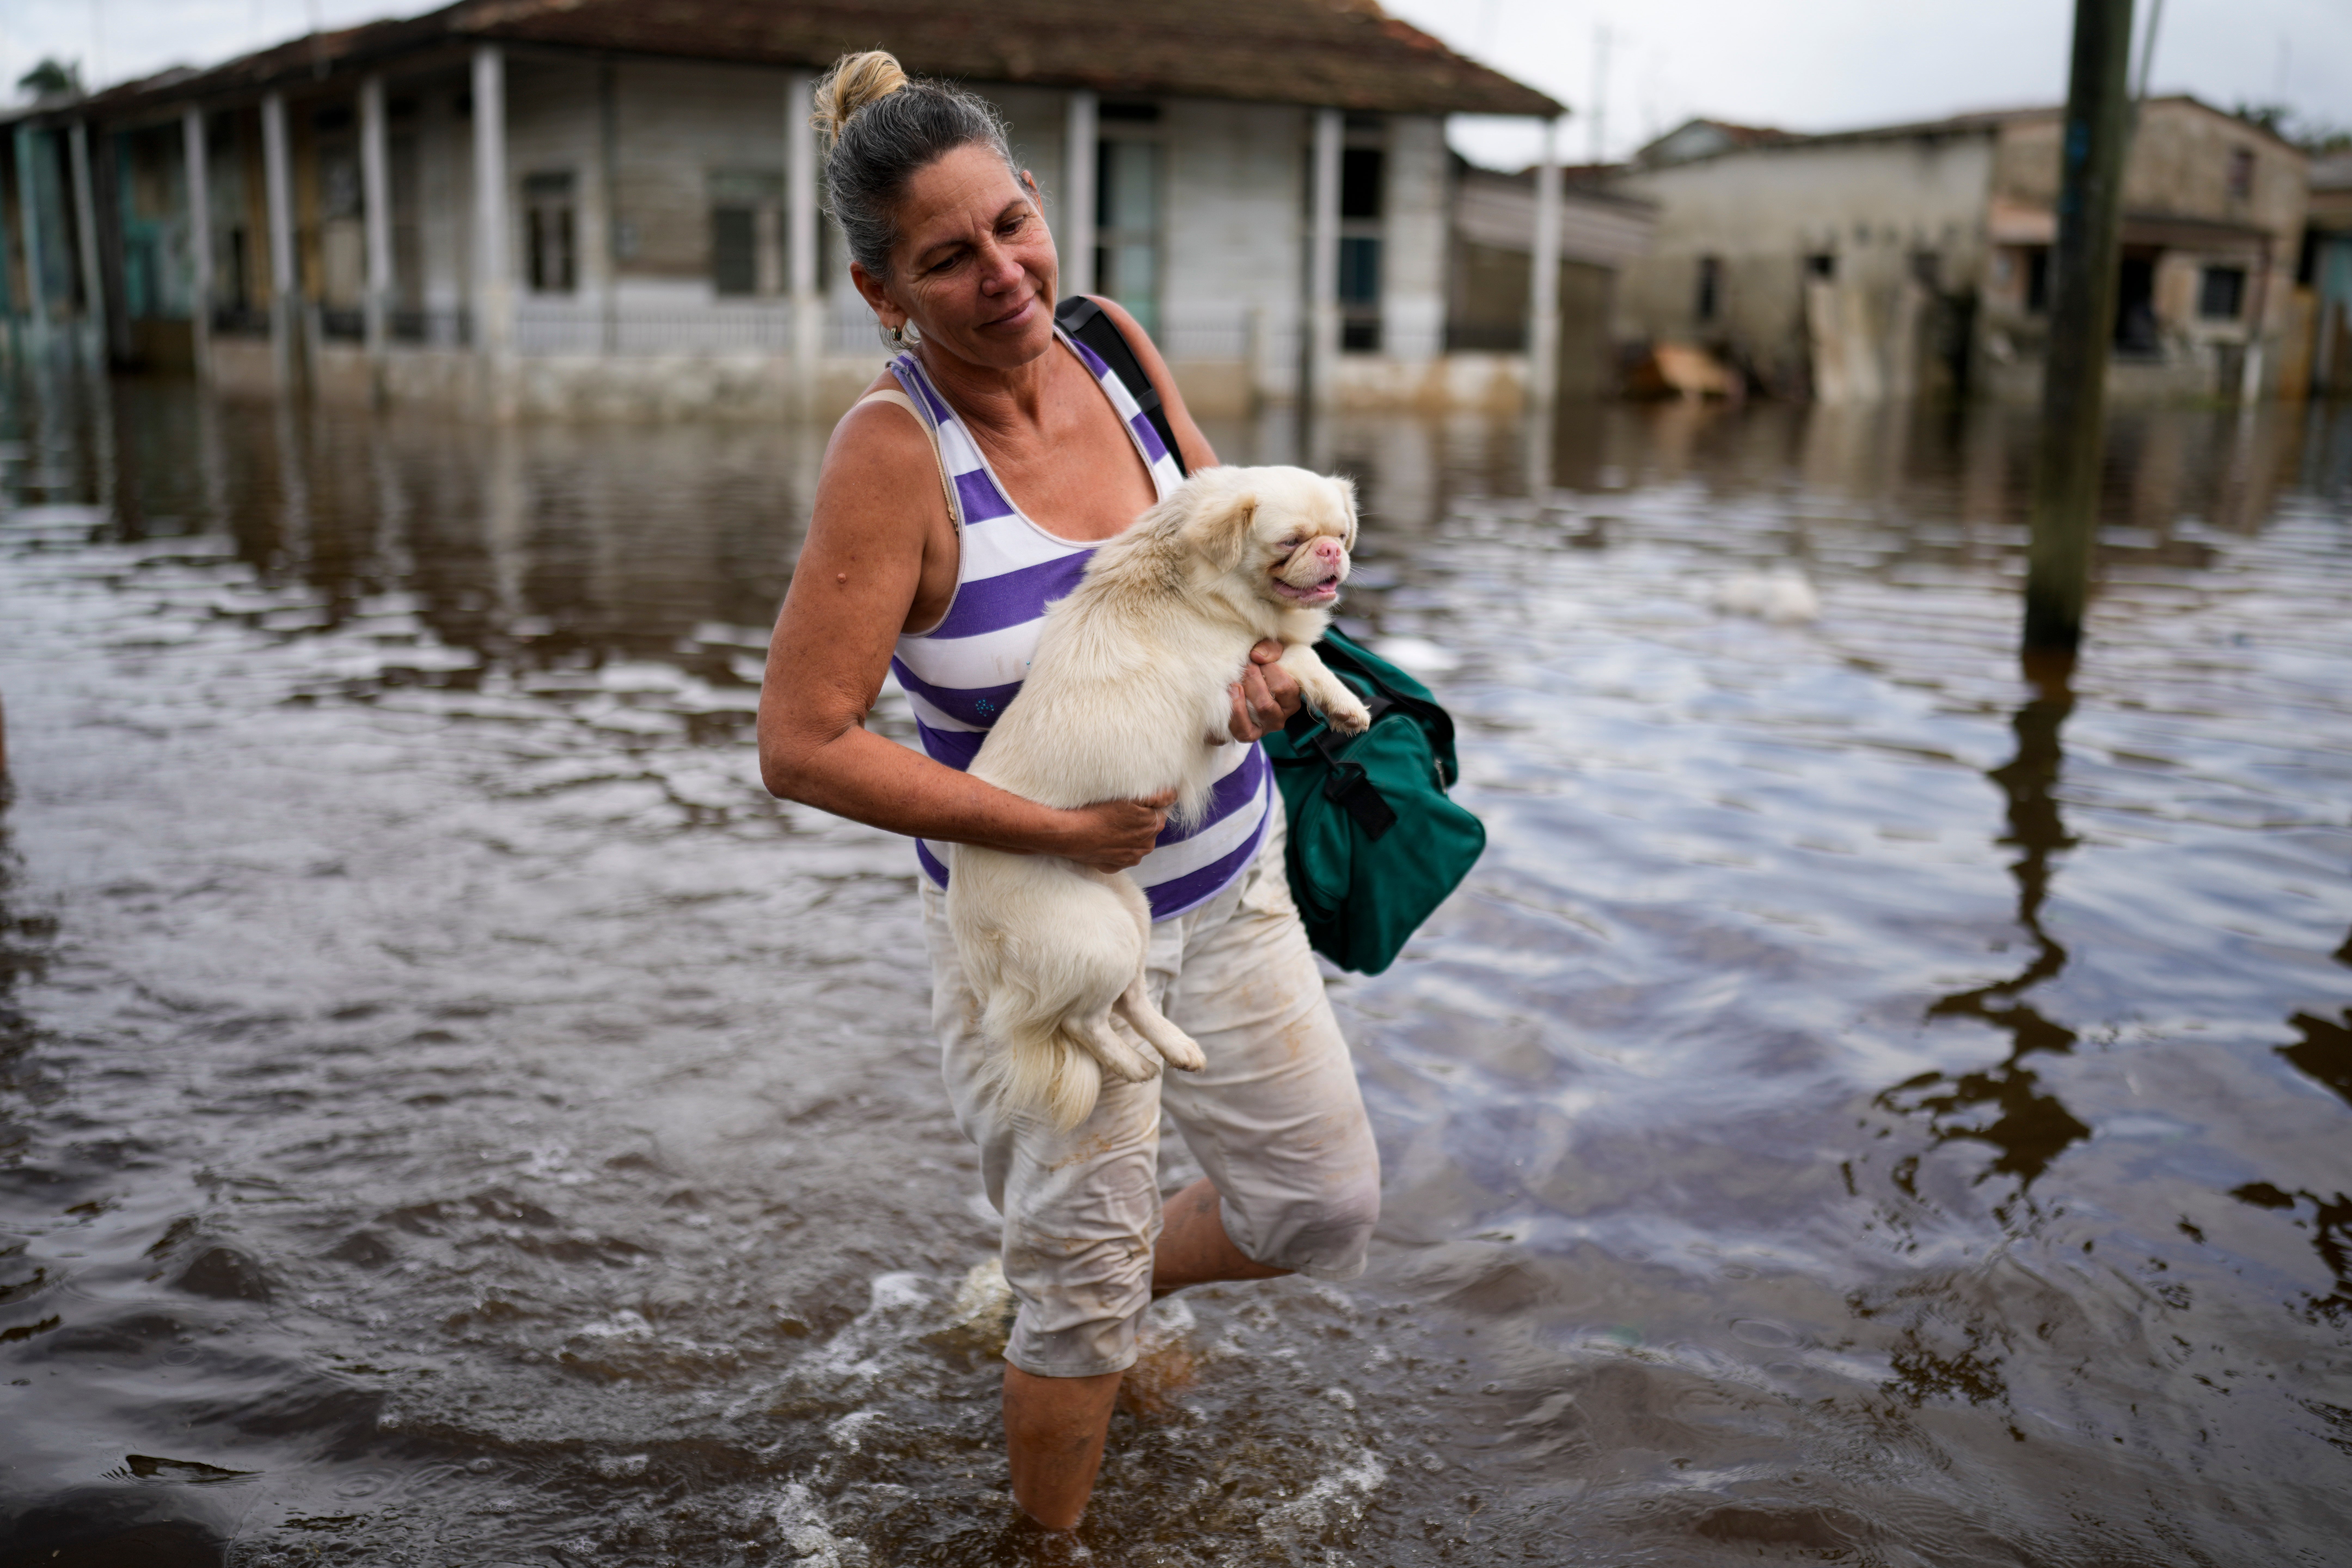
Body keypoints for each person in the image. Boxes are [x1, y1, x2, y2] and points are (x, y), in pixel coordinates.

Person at [755, 51, 1381, 1532]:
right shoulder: (894, 456)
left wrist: (1265, 675)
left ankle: (1070, 1274)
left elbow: (1240, 569)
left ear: (1039, 204)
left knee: (1319, 1206)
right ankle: (1048, 1535)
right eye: (946, 259)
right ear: (883, 293)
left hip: (1232, 884)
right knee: (1081, 1312)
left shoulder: (1113, 349)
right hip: (1044, 927)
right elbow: (803, 742)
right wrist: (1056, 830)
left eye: (1011, 225)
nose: (1002, 275)